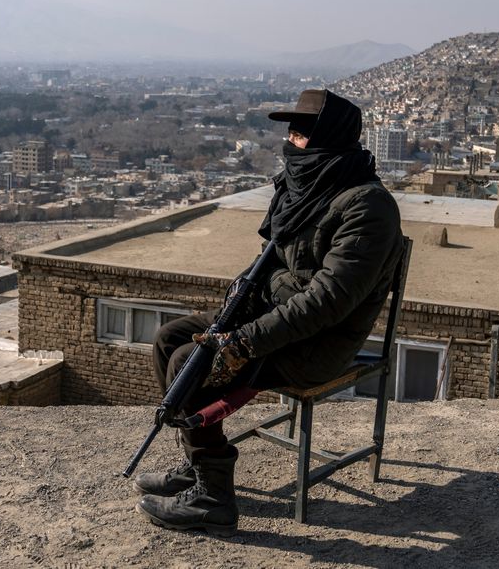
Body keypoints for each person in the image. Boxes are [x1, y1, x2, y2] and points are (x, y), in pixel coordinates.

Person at [134, 88, 404, 535]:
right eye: (292, 129)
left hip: (317, 343)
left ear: (331, 137)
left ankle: (213, 500)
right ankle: (197, 463)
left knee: (194, 362)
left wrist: (241, 342)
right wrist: (250, 301)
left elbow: (326, 301)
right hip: (272, 318)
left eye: (303, 132)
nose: (292, 139)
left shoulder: (366, 206)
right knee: (171, 339)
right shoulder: (304, 188)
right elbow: (276, 267)